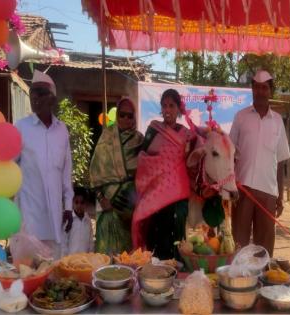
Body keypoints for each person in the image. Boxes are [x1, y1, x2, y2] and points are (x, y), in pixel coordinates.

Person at [229, 70, 290, 256]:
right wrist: (230, 188)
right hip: (242, 191)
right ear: (252, 90)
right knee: (239, 245)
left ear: (270, 91)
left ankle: (263, 284)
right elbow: (230, 154)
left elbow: (280, 161)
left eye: (264, 88)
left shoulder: (278, 121)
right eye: (256, 87)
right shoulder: (241, 117)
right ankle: (238, 282)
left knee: (264, 250)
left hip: (268, 193)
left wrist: (279, 196)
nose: (260, 91)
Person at [15, 70, 74, 259]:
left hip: (55, 219)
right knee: (28, 274)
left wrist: (68, 206)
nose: (35, 98)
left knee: (52, 274)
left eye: (41, 93)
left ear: (52, 99)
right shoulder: (21, 128)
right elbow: (10, 167)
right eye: (33, 93)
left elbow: (66, 172)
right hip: (29, 218)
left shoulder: (61, 131)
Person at [132, 89, 196, 260]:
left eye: (172, 106)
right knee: (156, 228)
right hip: (156, 191)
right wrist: (155, 169)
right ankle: (157, 266)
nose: (167, 110)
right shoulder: (153, 130)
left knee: (177, 229)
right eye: (164, 106)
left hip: (178, 193)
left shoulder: (186, 134)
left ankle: (177, 267)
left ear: (178, 109)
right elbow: (143, 158)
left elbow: (192, 160)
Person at [89, 98, 144, 254]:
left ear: (134, 117)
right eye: (122, 115)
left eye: (130, 115)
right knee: (107, 254)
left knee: (129, 257)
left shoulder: (140, 140)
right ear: (117, 115)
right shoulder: (106, 138)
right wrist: (102, 200)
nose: (126, 119)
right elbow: (95, 173)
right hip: (108, 205)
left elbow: (147, 171)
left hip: (131, 208)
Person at [64, 187, 94, 254]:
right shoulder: (69, 220)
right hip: (70, 259)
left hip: (84, 259)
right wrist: (64, 259)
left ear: (86, 204)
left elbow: (91, 242)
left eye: (82, 202)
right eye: (76, 202)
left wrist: (91, 255)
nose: (79, 205)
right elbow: (64, 241)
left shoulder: (88, 221)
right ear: (72, 203)